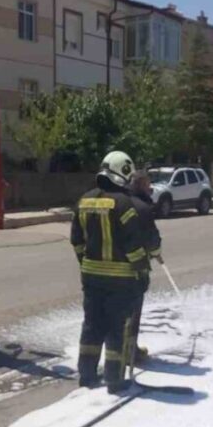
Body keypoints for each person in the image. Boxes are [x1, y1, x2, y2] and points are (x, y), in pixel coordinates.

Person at [70, 151, 150, 393]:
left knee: (92, 325)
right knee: (117, 328)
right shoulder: (124, 203)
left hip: (92, 278)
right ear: (124, 172)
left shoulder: (84, 201)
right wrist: (141, 270)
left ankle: (86, 375)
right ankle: (114, 380)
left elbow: (76, 241)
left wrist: (87, 263)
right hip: (122, 280)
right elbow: (133, 244)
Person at [126, 170, 163, 366]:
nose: (150, 188)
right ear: (140, 185)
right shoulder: (142, 207)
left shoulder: (119, 202)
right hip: (135, 269)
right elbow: (152, 240)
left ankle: (117, 349)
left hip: (111, 268)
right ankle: (131, 352)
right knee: (132, 312)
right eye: (148, 184)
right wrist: (156, 252)